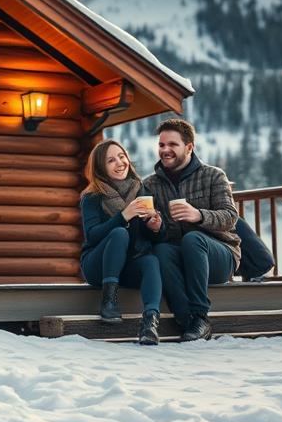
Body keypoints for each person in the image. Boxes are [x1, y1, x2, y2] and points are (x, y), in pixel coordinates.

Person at [144, 119, 241, 341]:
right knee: (162, 251)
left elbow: (230, 217)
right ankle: (187, 320)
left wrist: (198, 215)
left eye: (172, 145)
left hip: (220, 255)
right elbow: (161, 235)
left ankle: (200, 316)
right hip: (180, 258)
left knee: (193, 239)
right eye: (161, 145)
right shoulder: (150, 185)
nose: (165, 150)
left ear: (189, 147)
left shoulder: (213, 175)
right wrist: (157, 227)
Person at [79, 139, 164, 345]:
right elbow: (93, 235)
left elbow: (147, 238)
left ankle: (150, 322)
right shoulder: (92, 197)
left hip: (128, 266)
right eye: (111, 160)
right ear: (101, 167)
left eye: (121, 156)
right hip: (98, 266)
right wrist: (123, 215)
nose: (119, 163)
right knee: (119, 233)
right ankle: (109, 301)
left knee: (151, 261)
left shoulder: (141, 191)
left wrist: (154, 226)